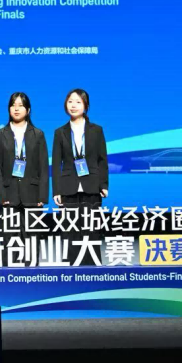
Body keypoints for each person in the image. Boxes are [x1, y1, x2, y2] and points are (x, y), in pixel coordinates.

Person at [0, 92, 49, 266]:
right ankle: (9, 277)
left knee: (32, 241)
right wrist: (1, 197)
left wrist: (42, 196)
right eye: (13, 105)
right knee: (9, 242)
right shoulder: (0, 135)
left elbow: (43, 167)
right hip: (8, 196)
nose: (16, 109)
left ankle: (32, 277)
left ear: (28, 110)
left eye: (21, 105)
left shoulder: (38, 134)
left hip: (32, 196)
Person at [51, 88, 108, 265]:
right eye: (70, 102)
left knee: (92, 229)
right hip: (68, 187)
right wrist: (56, 190)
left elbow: (102, 159)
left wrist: (104, 184)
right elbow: (56, 163)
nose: (73, 105)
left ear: (85, 105)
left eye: (78, 102)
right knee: (70, 230)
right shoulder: (60, 132)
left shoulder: (96, 130)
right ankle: (72, 268)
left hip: (92, 185)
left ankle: (92, 268)